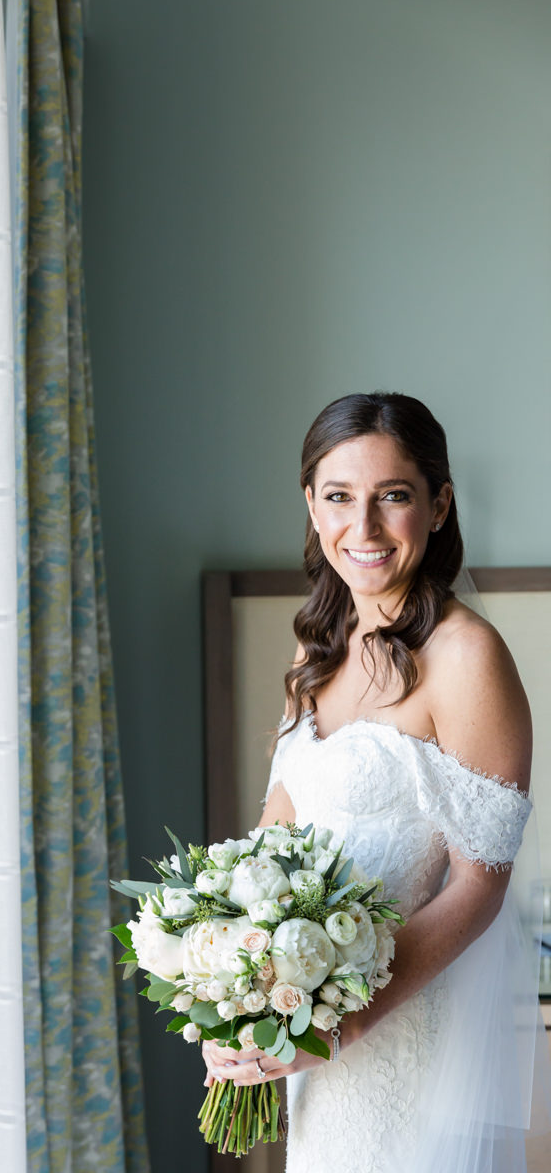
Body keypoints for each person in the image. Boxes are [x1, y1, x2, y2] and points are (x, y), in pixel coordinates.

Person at [202, 392, 549, 1172]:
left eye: (392, 497)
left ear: (438, 506)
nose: (362, 529)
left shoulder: (468, 658)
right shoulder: (316, 648)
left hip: (399, 1037)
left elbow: (478, 886)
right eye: (339, 497)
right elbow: (274, 841)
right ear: (310, 505)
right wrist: (230, 992)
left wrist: (343, 1024)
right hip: (311, 1048)